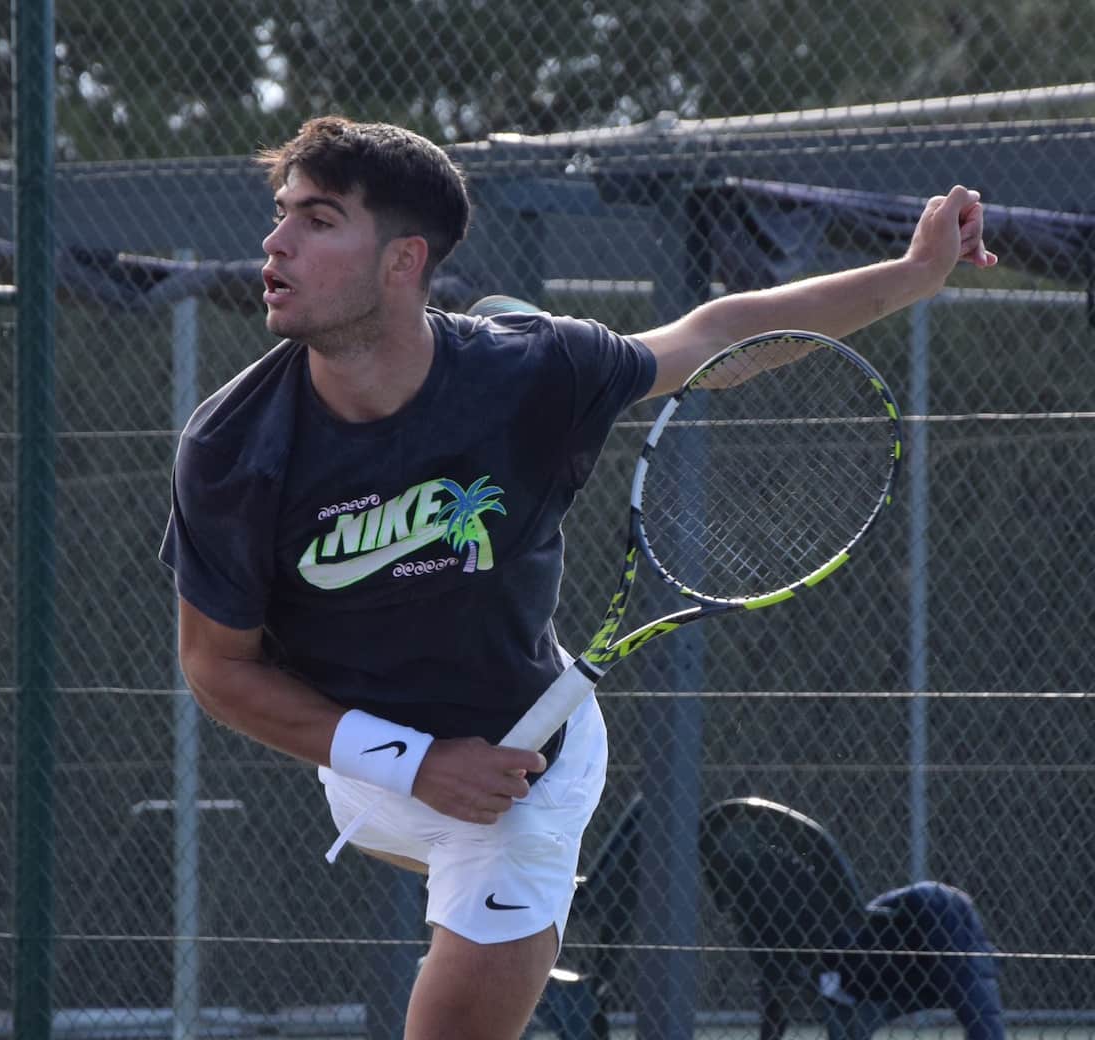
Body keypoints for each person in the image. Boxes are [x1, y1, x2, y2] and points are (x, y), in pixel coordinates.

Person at [159, 115, 996, 1040]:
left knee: (475, 953)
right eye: (282, 214)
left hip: (528, 775)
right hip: (365, 774)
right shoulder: (232, 447)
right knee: (450, 853)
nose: (275, 242)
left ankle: (510, 921)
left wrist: (915, 274)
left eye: (316, 221)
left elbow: (722, 338)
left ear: (404, 260)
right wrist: (419, 765)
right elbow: (217, 669)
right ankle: (512, 930)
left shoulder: (535, 370)